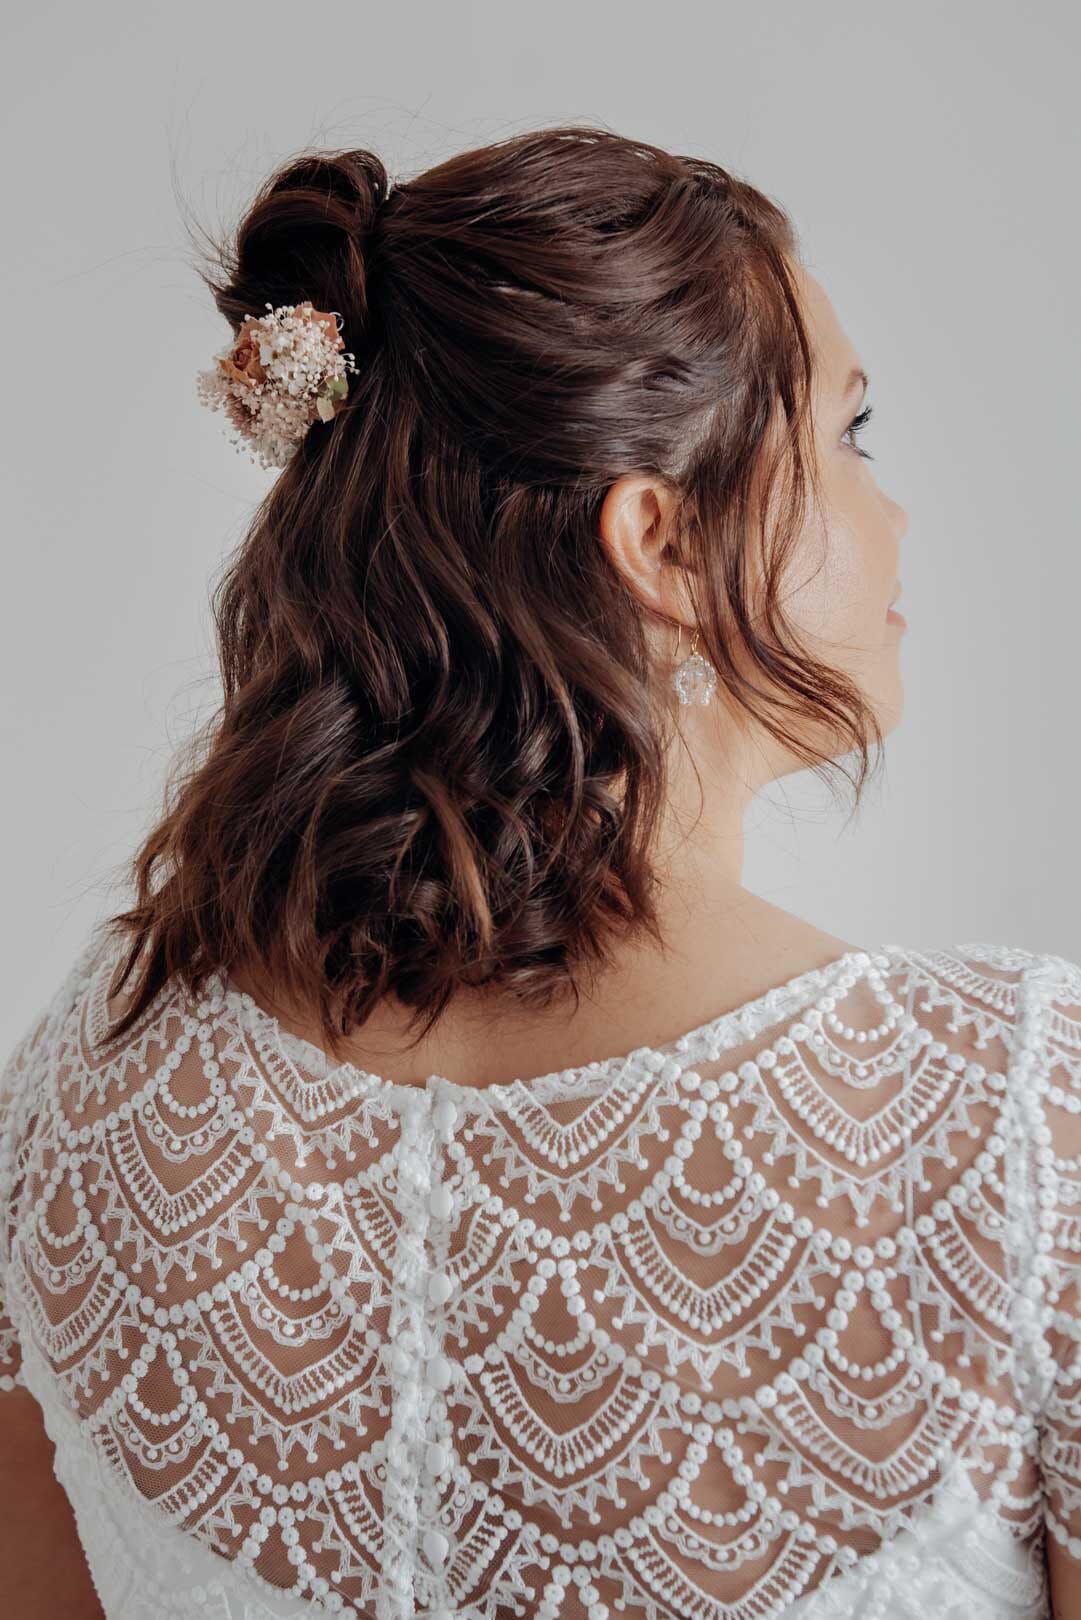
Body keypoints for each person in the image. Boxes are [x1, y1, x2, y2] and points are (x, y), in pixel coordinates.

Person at [1, 123, 1078, 1620]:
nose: (887, 512)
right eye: (848, 433)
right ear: (662, 541)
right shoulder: (1022, 1119)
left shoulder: (87, 1085)